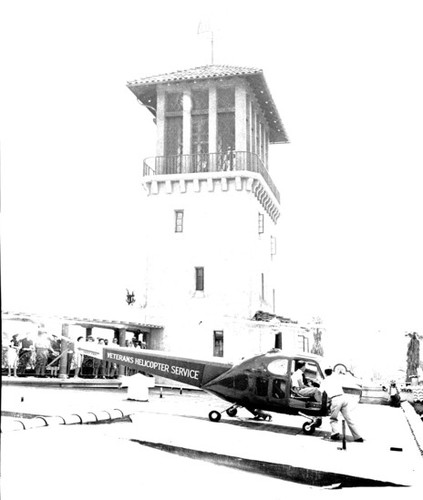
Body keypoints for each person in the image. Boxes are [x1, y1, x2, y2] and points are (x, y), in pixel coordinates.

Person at [319, 368, 364, 442]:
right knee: (349, 419)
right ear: (331, 372)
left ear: (325, 373)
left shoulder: (324, 381)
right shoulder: (336, 377)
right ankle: (358, 437)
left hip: (336, 399)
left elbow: (319, 391)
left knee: (333, 418)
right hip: (344, 398)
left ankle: (335, 433)